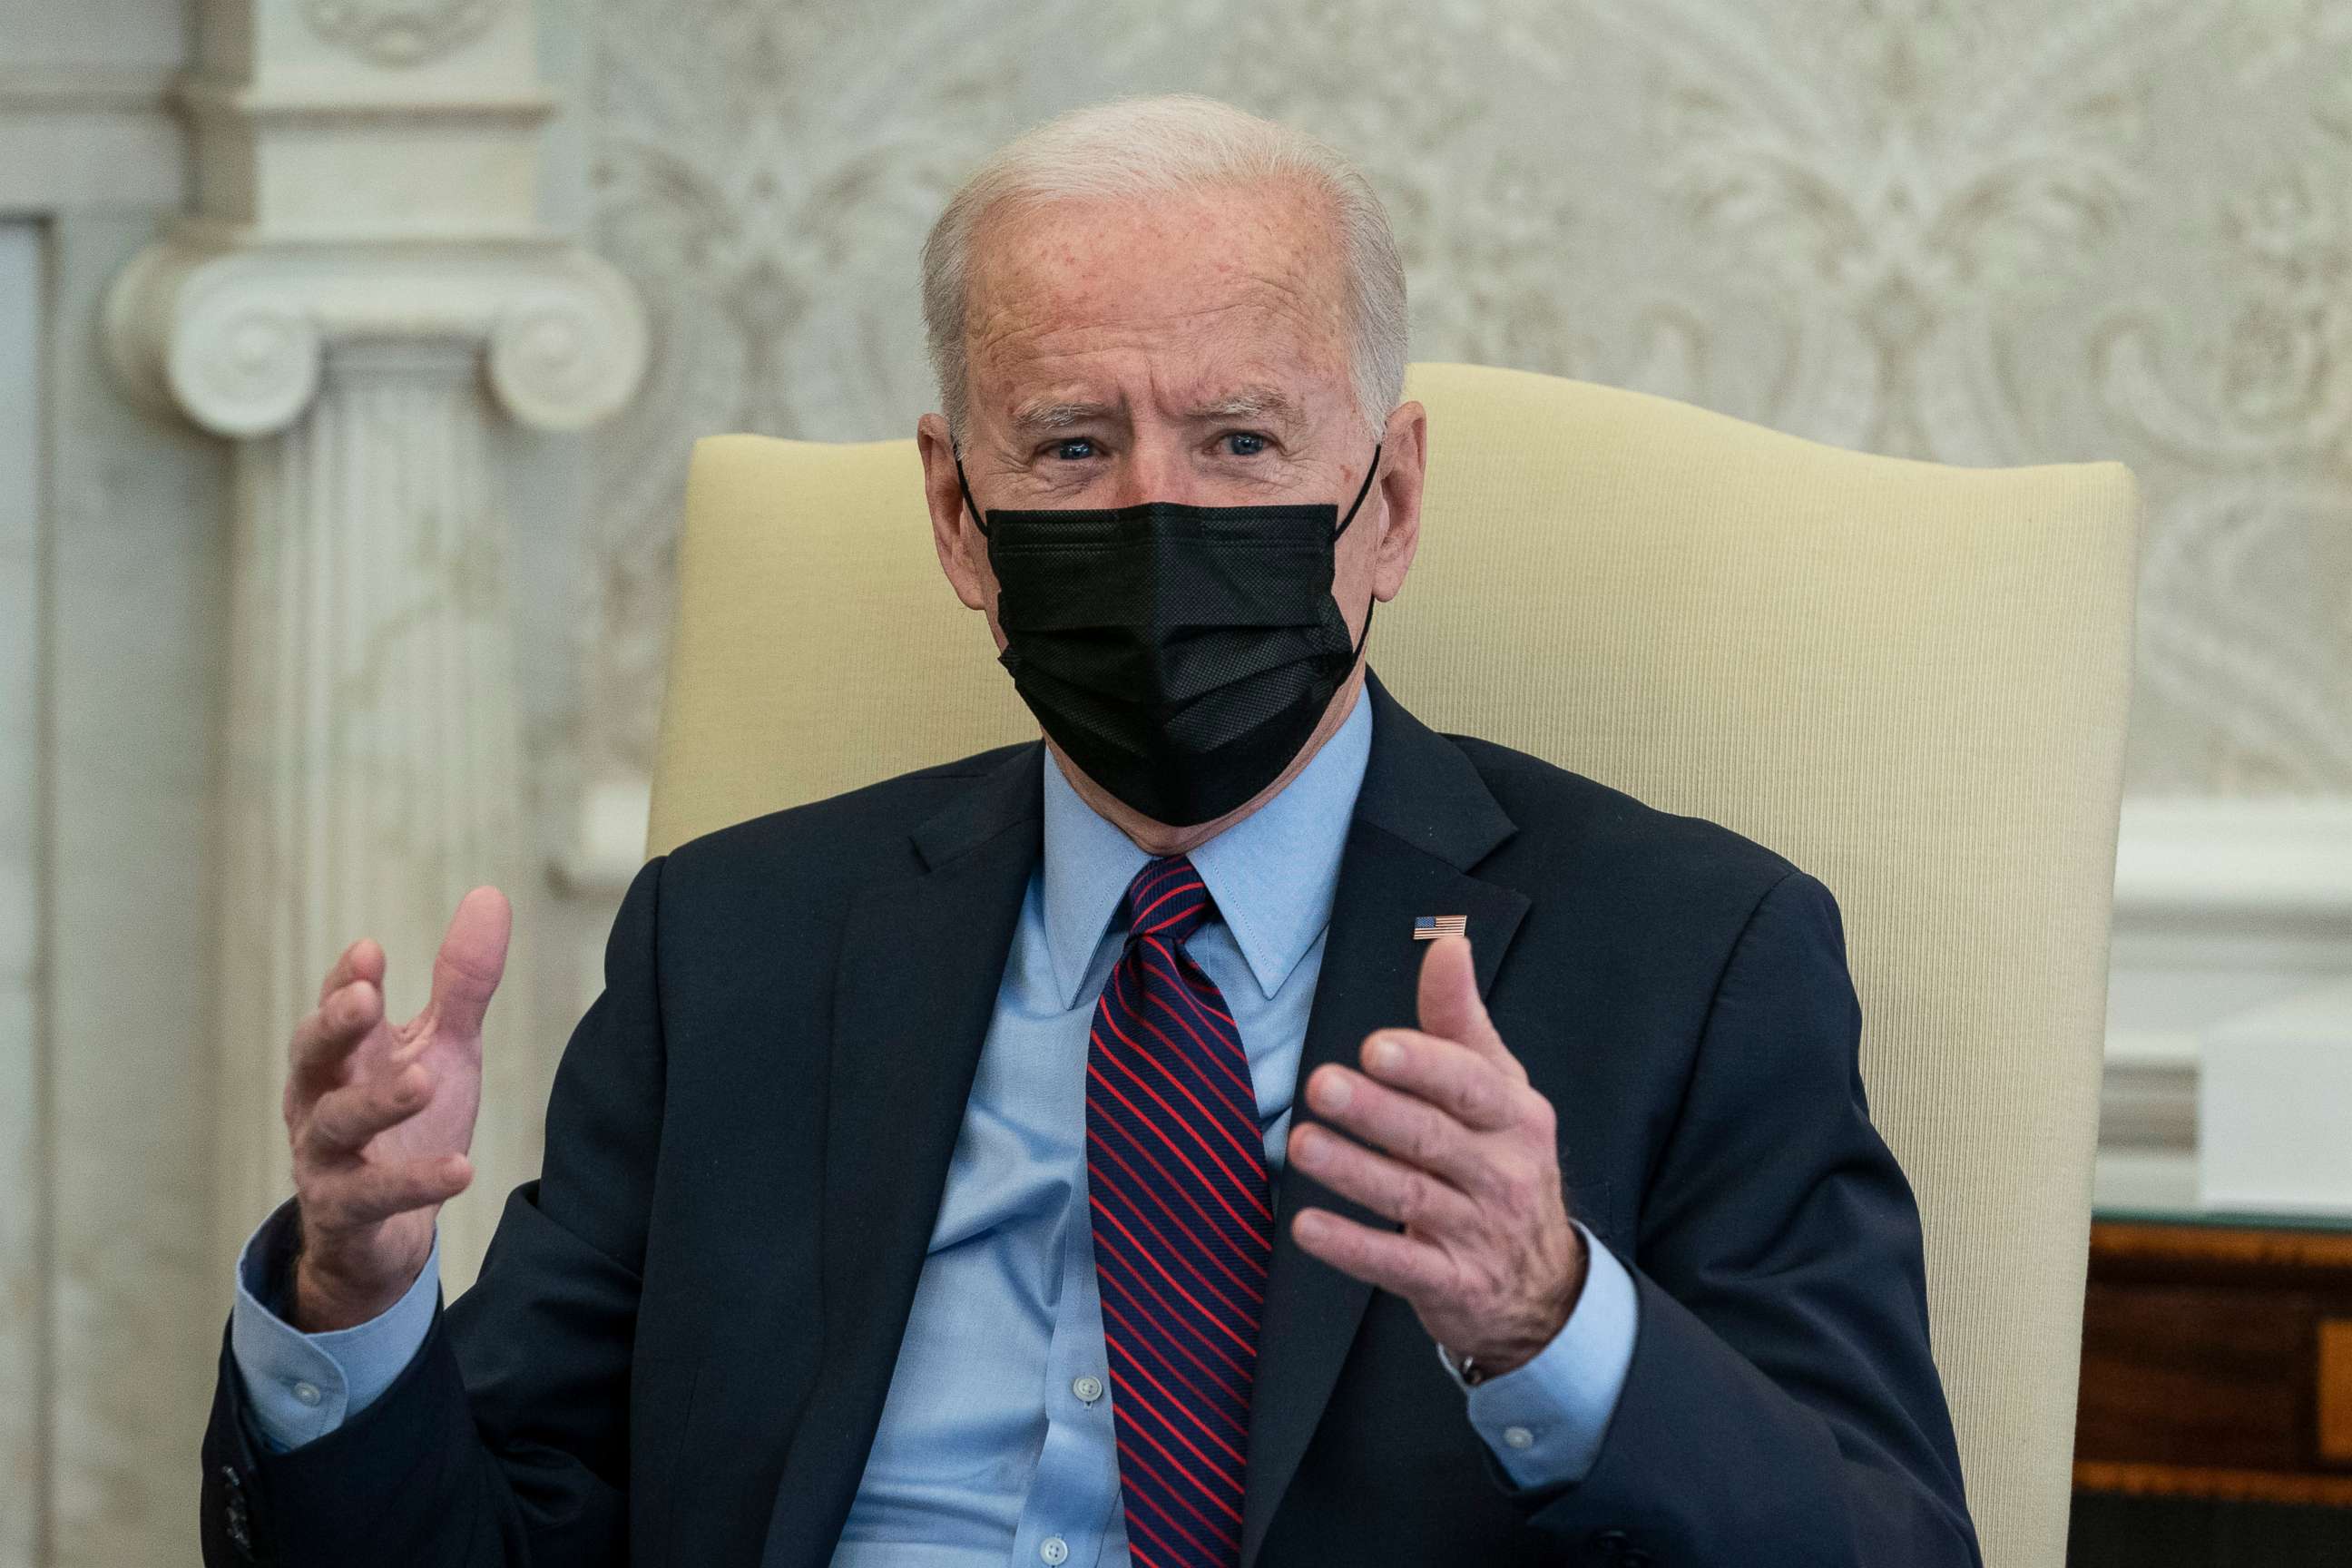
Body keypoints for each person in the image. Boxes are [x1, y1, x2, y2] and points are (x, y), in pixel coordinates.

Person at [200, 94, 1979, 1568]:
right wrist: (351, 1296)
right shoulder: (731, 947)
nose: (1153, 511)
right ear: (957, 520)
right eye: (1066, 449)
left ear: (1394, 500)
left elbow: (1888, 1545)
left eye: (1237, 439)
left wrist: (1548, 1316)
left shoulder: (1688, 955)